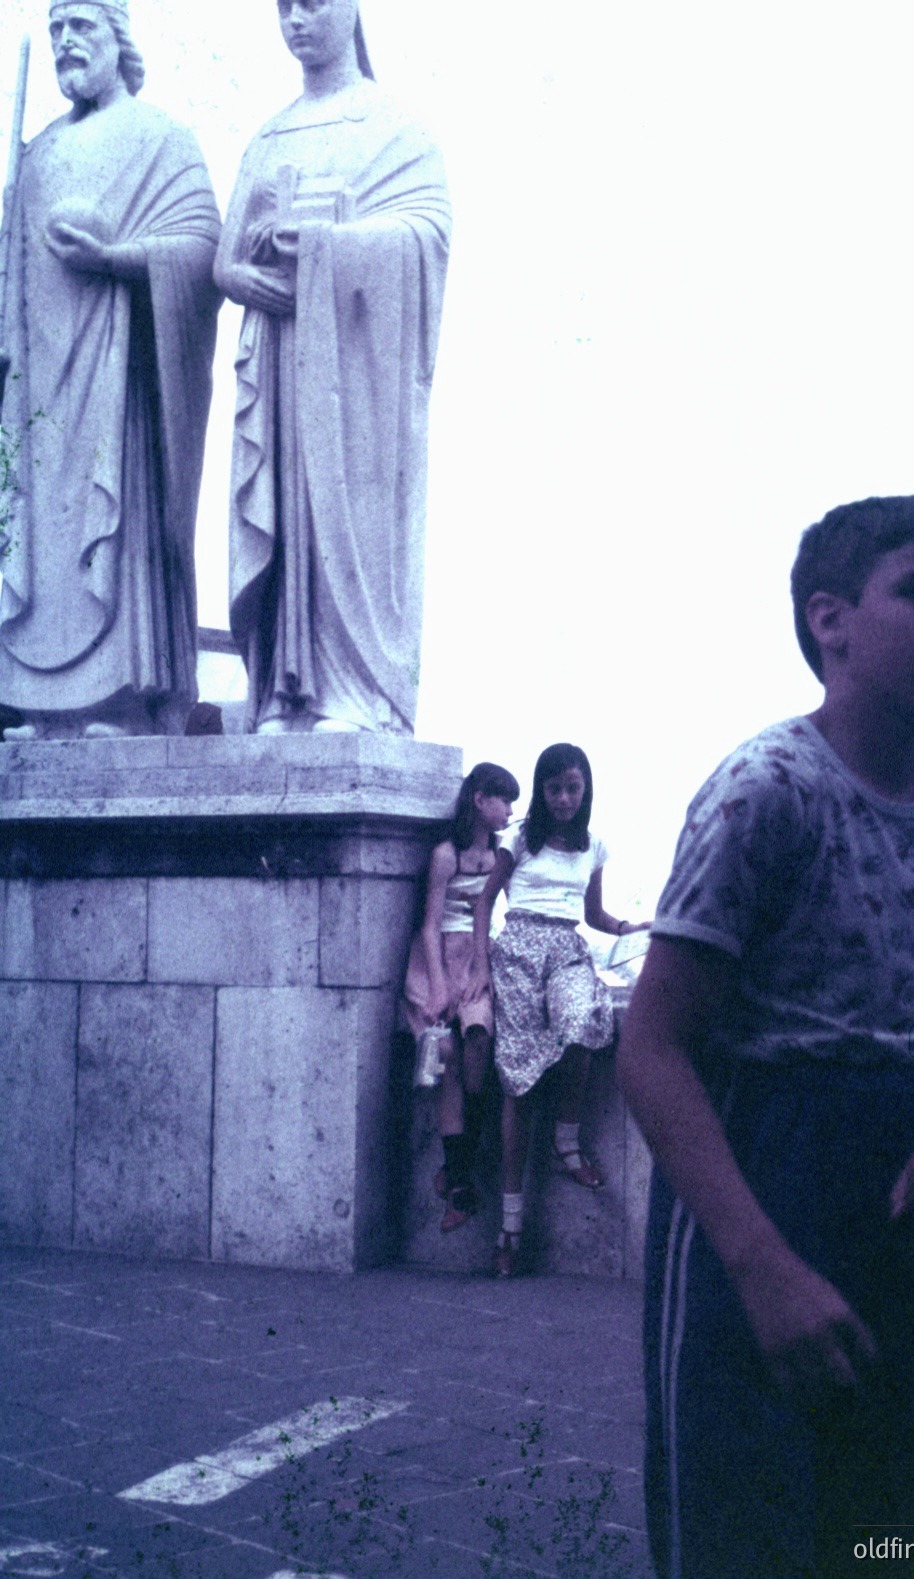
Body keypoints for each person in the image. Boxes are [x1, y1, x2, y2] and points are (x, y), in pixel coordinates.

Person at [617, 496, 914, 1578]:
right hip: (759, 1171)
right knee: (742, 1518)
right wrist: (760, 1268)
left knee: (897, 1520)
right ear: (831, 620)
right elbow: (653, 1046)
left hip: (913, 1189)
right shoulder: (767, 792)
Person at [214, 0, 450, 735]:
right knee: (287, 519)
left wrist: (321, 247)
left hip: (354, 384)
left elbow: (426, 237)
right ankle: (288, 694)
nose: (296, 20)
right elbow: (225, 258)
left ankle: (351, 697)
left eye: (312, 3)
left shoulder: (396, 130)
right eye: (283, 7)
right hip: (281, 360)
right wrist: (244, 275)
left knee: (342, 522)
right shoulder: (270, 134)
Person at [0, 1, 220, 739]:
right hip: (38, 391)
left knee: (113, 520)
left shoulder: (161, 140)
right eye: (56, 28)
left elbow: (199, 252)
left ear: (117, 39)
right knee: (37, 530)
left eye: (81, 26)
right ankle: (45, 709)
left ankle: (121, 704)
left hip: (116, 380)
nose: (65, 42)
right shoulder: (32, 158)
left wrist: (117, 260)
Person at [471, 742, 650, 1279]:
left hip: (567, 950)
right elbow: (484, 902)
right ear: (542, 790)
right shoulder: (519, 841)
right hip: (519, 950)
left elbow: (592, 913)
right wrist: (481, 964)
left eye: (573, 788)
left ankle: (566, 1140)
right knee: (519, 1082)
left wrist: (626, 929)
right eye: (554, 789)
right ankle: (509, 1229)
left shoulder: (593, 847)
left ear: (585, 789)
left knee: (583, 1023)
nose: (565, 798)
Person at [402, 761, 519, 1233]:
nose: (510, 810)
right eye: (503, 800)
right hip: (437, 960)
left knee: (478, 1044)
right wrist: (438, 984)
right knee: (447, 1051)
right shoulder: (446, 855)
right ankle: (462, 1184)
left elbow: (504, 915)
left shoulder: (499, 859)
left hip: (478, 960)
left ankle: (456, 1167)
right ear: (479, 799)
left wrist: (481, 966)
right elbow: (430, 924)